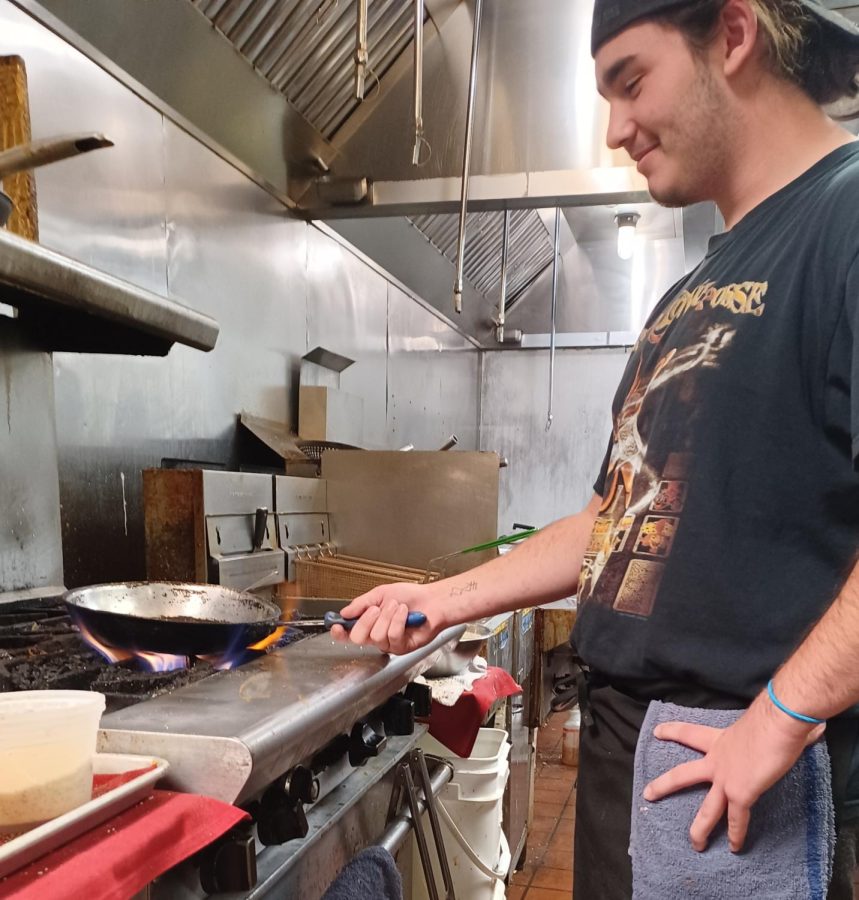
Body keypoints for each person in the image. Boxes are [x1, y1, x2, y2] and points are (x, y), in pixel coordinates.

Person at [333, 1, 859, 896]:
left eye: (630, 80)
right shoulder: (691, 292)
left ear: (733, 36)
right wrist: (442, 600)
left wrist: (777, 717)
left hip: (752, 784)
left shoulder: (843, 218)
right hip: (640, 761)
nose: (616, 128)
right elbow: (615, 519)